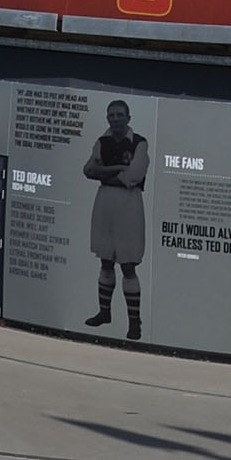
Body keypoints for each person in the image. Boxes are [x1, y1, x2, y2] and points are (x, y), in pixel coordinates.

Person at [82, 100, 152, 340]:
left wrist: (106, 173)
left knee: (128, 264)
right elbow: (89, 170)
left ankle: (135, 323)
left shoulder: (139, 143)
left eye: (119, 115)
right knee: (105, 260)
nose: (115, 119)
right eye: (111, 115)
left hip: (129, 204)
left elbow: (133, 175)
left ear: (128, 117)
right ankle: (105, 313)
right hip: (105, 204)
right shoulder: (102, 142)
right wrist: (116, 168)